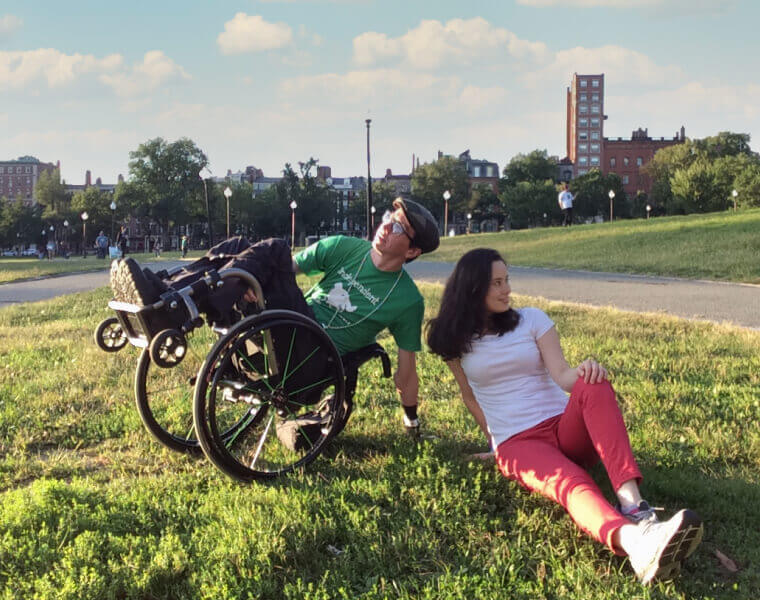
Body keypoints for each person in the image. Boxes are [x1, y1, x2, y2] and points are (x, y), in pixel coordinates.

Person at [426, 248, 703, 584]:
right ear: (472, 288)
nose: (506, 289)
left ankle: (636, 508)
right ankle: (638, 545)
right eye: (496, 283)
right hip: (519, 442)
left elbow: (562, 376)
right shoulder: (453, 339)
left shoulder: (532, 319)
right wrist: (495, 444)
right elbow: (470, 396)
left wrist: (585, 372)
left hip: (563, 427)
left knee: (593, 382)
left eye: (507, 280)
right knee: (572, 483)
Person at [111, 198, 440, 436]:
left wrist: (411, 420)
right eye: (389, 216)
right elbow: (284, 269)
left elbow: (406, 372)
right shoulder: (347, 247)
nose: (386, 225)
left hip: (312, 354)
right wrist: (249, 280)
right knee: (242, 246)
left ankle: (177, 305)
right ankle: (164, 292)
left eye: (399, 227)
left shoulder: (408, 300)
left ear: (412, 252)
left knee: (274, 249)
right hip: (285, 328)